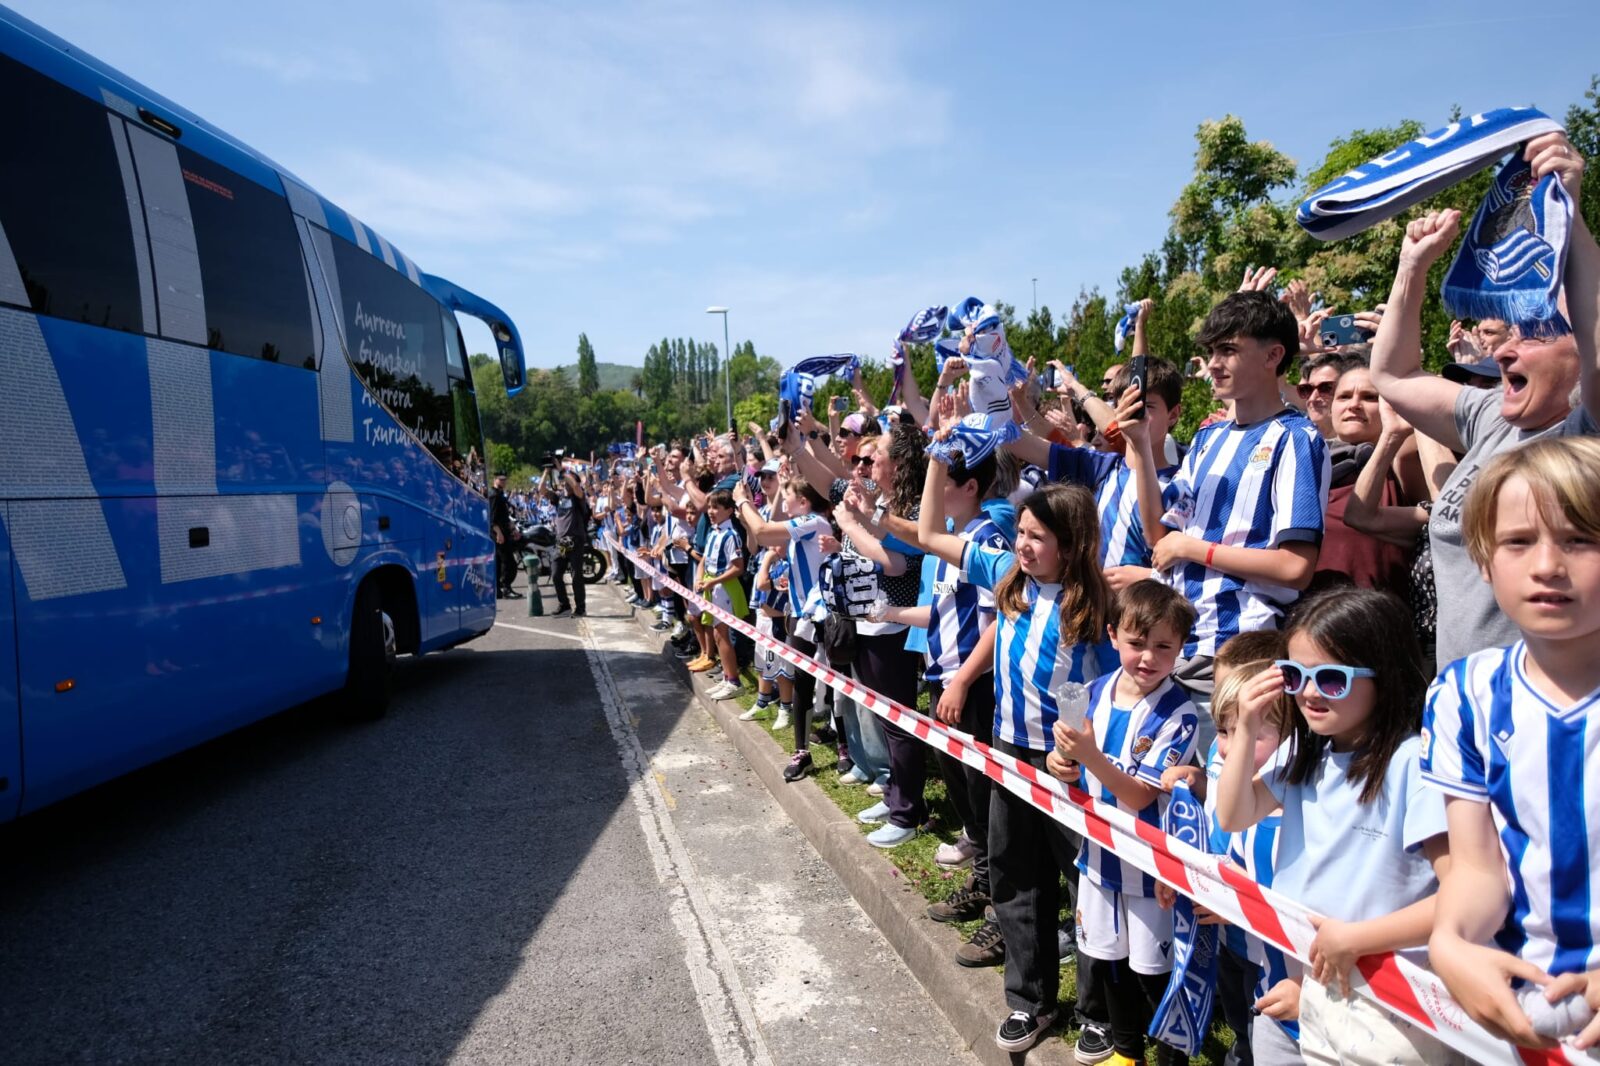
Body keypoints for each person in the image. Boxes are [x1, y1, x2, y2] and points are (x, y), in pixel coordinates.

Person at [1368, 131, 1599, 670]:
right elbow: (1393, 374)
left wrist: (1571, 212)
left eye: (1536, 333)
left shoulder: (1584, 435)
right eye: (1508, 333)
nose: (1506, 352)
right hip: (1463, 705)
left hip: (1550, 712)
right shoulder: (1493, 416)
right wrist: (1412, 267)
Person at [1215, 588, 1461, 1065]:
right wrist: (1245, 726)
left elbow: (1461, 897)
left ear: (1384, 678)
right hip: (1321, 986)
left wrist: (1357, 939)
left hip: (1393, 1005)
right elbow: (1232, 814)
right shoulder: (1311, 758)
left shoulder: (1413, 764)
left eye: (1331, 678)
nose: (1307, 692)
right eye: (1294, 674)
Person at [917, 459, 1108, 1054]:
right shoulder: (1009, 578)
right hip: (1010, 749)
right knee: (1015, 872)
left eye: (1038, 537)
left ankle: (1101, 1009)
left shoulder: (1096, 605)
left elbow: (1108, 684)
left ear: (1073, 545)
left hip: (1070, 761)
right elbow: (926, 535)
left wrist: (1077, 748)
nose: (1022, 546)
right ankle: (1031, 1001)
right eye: (1021, 532)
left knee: (1087, 885)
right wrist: (939, 456)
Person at [1423, 437, 1600, 1050]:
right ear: (1483, 559)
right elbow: (1478, 868)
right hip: (1520, 1003)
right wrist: (1450, 942)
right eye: (1519, 542)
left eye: (1579, 539)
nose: (1548, 565)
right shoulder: (1464, 694)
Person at [1123, 291, 1330, 701]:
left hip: (1240, 652)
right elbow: (1158, 539)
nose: (1213, 365)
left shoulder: (1296, 439)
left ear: (1273, 356)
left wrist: (1196, 549)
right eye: (1212, 351)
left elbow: (1295, 567)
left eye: (1228, 351)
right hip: (1180, 645)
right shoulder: (1206, 438)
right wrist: (1142, 446)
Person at [1049, 580, 1199, 1066]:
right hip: (1097, 853)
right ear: (1113, 635)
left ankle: (1172, 1056)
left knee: (1152, 970)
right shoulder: (1091, 692)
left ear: (1180, 648)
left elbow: (1138, 795)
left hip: (1148, 869)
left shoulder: (1181, 713)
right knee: (1108, 959)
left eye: (1164, 647)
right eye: (1137, 643)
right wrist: (1062, 762)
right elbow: (1069, 762)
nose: (1148, 658)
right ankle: (1126, 1051)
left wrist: (1088, 755)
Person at [1160, 633, 1301, 1066]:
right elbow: (1220, 833)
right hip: (1230, 939)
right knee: (1241, 1014)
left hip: (1275, 961)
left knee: (1262, 1022)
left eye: (1246, 732)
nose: (1226, 746)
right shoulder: (1230, 765)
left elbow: (1287, 888)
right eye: (1222, 731)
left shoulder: (1294, 803)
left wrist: (1237, 903)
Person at [733, 475, 833, 773]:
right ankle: (801, 752)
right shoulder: (802, 528)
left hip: (826, 615)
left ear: (803, 502)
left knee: (836, 690)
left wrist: (742, 501)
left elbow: (763, 531)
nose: (783, 501)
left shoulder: (813, 521)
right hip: (803, 616)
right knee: (802, 682)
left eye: (787, 495)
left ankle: (844, 749)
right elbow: (762, 538)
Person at [693, 490, 747, 700]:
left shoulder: (731, 535)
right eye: (709, 507)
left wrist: (713, 581)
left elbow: (738, 567)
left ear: (730, 511)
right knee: (717, 633)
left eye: (717, 508)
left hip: (724, 588)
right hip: (712, 587)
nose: (711, 512)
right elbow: (704, 560)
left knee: (722, 634)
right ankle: (727, 677)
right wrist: (699, 578)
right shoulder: (713, 532)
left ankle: (733, 681)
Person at [550, 467, 591, 617]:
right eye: (564, 482)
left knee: (576, 576)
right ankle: (564, 604)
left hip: (575, 540)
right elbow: (542, 490)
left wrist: (564, 471)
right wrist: (547, 470)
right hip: (562, 542)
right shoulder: (560, 498)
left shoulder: (579, 498)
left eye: (568, 481)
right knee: (555, 574)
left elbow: (575, 486)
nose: (565, 484)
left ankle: (580, 607)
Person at [489, 473, 522, 599]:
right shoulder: (494, 495)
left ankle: (499, 590)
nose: (503, 481)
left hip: (504, 531)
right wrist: (498, 533)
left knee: (500, 562)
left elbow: (504, 516)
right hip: (499, 534)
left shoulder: (500, 494)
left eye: (504, 479)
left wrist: (513, 528)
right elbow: (492, 518)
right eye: (500, 479)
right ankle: (506, 588)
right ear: (495, 480)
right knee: (508, 562)